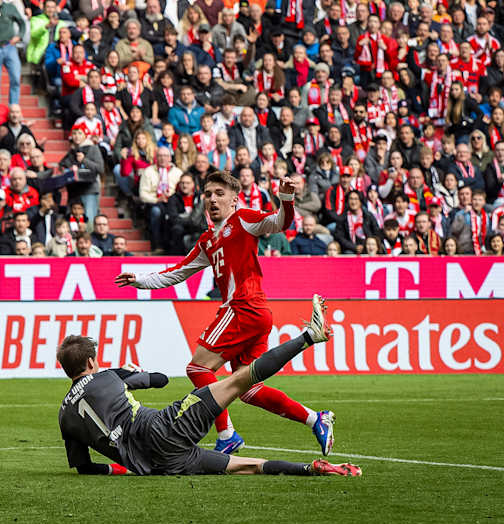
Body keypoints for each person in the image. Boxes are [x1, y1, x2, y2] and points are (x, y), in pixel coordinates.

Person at [114, 171, 335, 455]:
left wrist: (287, 198)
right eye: (208, 194)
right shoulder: (208, 240)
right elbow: (177, 273)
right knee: (246, 389)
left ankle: (227, 434)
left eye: (220, 194)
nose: (213, 200)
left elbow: (280, 222)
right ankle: (315, 419)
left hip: (243, 306)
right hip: (256, 313)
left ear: (234, 200)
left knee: (198, 368)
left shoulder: (242, 219)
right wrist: (140, 280)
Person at [57, 300, 361, 477]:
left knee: (249, 467)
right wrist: (133, 373)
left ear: (67, 368)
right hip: (165, 429)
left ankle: (310, 469)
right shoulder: (109, 376)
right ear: (92, 361)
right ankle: (310, 336)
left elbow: (83, 467)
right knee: (240, 379)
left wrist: (120, 469)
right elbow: (160, 380)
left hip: (158, 465)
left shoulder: (64, 415)